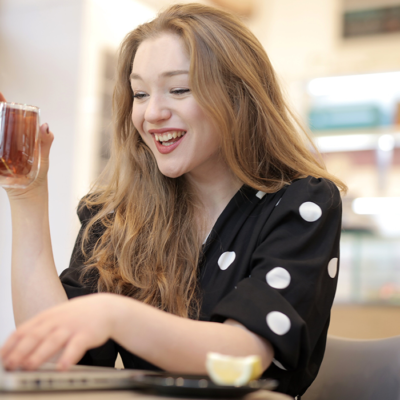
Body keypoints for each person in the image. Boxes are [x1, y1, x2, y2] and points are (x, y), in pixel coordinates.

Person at [0, 3, 346, 398]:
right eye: (140, 93)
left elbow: (242, 361)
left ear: (239, 94)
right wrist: (26, 192)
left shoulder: (302, 205)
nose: (152, 113)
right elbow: (58, 355)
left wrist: (116, 316)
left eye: (179, 89)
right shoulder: (116, 217)